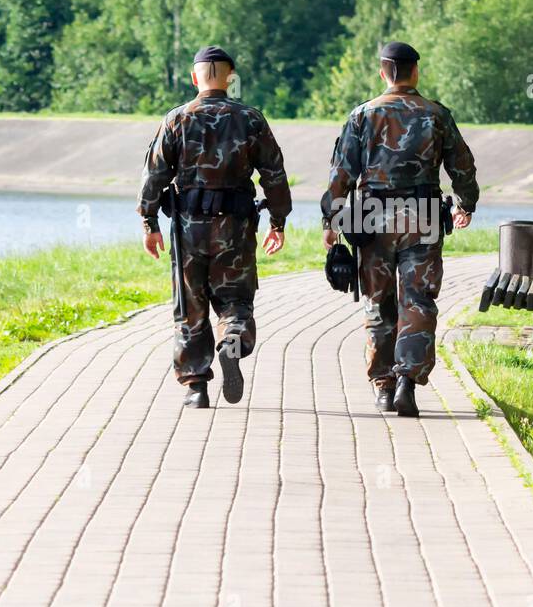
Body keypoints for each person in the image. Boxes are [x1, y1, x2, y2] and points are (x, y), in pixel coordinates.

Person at [321, 41, 479, 417]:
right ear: (415, 72)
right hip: (422, 216)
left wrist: (331, 222)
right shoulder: (436, 114)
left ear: (383, 73)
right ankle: (408, 379)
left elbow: (341, 174)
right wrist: (465, 203)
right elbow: (462, 166)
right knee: (418, 300)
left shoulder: (362, 116)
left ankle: (383, 386)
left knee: (379, 303)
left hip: (372, 217)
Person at [138, 45, 292, 408]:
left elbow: (154, 176)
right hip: (235, 228)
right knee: (235, 301)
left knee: (191, 305)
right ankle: (232, 339)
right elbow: (274, 174)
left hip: (188, 230)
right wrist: (278, 221)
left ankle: (195, 386)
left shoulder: (176, 119)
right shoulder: (251, 119)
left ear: (195, 78)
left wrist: (149, 223)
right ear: (230, 78)